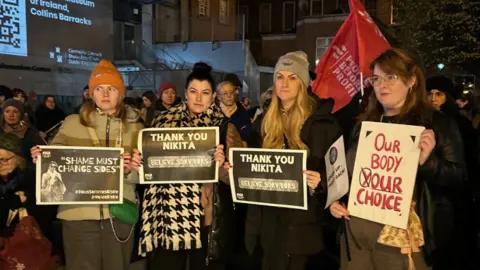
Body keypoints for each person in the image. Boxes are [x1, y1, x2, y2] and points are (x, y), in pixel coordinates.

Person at [330, 48, 465, 270]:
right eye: (376, 78)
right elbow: (350, 174)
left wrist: (428, 162)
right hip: (357, 236)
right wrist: (338, 201)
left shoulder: (437, 124)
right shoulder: (363, 124)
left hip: (403, 240)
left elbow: (459, 179)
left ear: (411, 80)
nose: (382, 85)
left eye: (391, 77)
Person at [30, 59, 144, 270]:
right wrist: (42, 158)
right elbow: (53, 161)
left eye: (111, 88)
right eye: (99, 89)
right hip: (78, 212)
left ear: (121, 93)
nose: (105, 94)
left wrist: (131, 171)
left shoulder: (136, 127)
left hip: (118, 213)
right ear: (91, 93)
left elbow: (143, 175)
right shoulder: (73, 122)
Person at [137, 62, 244, 270]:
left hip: (205, 216)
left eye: (205, 93)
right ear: (185, 93)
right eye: (193, 91)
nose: (198, 98)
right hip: (168, 215)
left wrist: (222, 166)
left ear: (214, 96)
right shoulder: (162, 121)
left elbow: (235, 179)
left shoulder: (224, 127)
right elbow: (150, 166)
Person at [244, 51, 342, 270]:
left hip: (304, 229)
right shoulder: (262, 123)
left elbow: (340, 175)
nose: (285, 84)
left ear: (303, 84)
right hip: (268, 228)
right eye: (280, 76)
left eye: (292, 77)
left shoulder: (324, 125)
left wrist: (322, 180)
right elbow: (250, 168)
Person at [0, 99, 44, 168]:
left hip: (24, 173)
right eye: (7, 111)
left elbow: (40, 157)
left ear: (21, 114)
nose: (11, 115)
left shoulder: (30, 132)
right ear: (3, 113)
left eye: (15, 112)